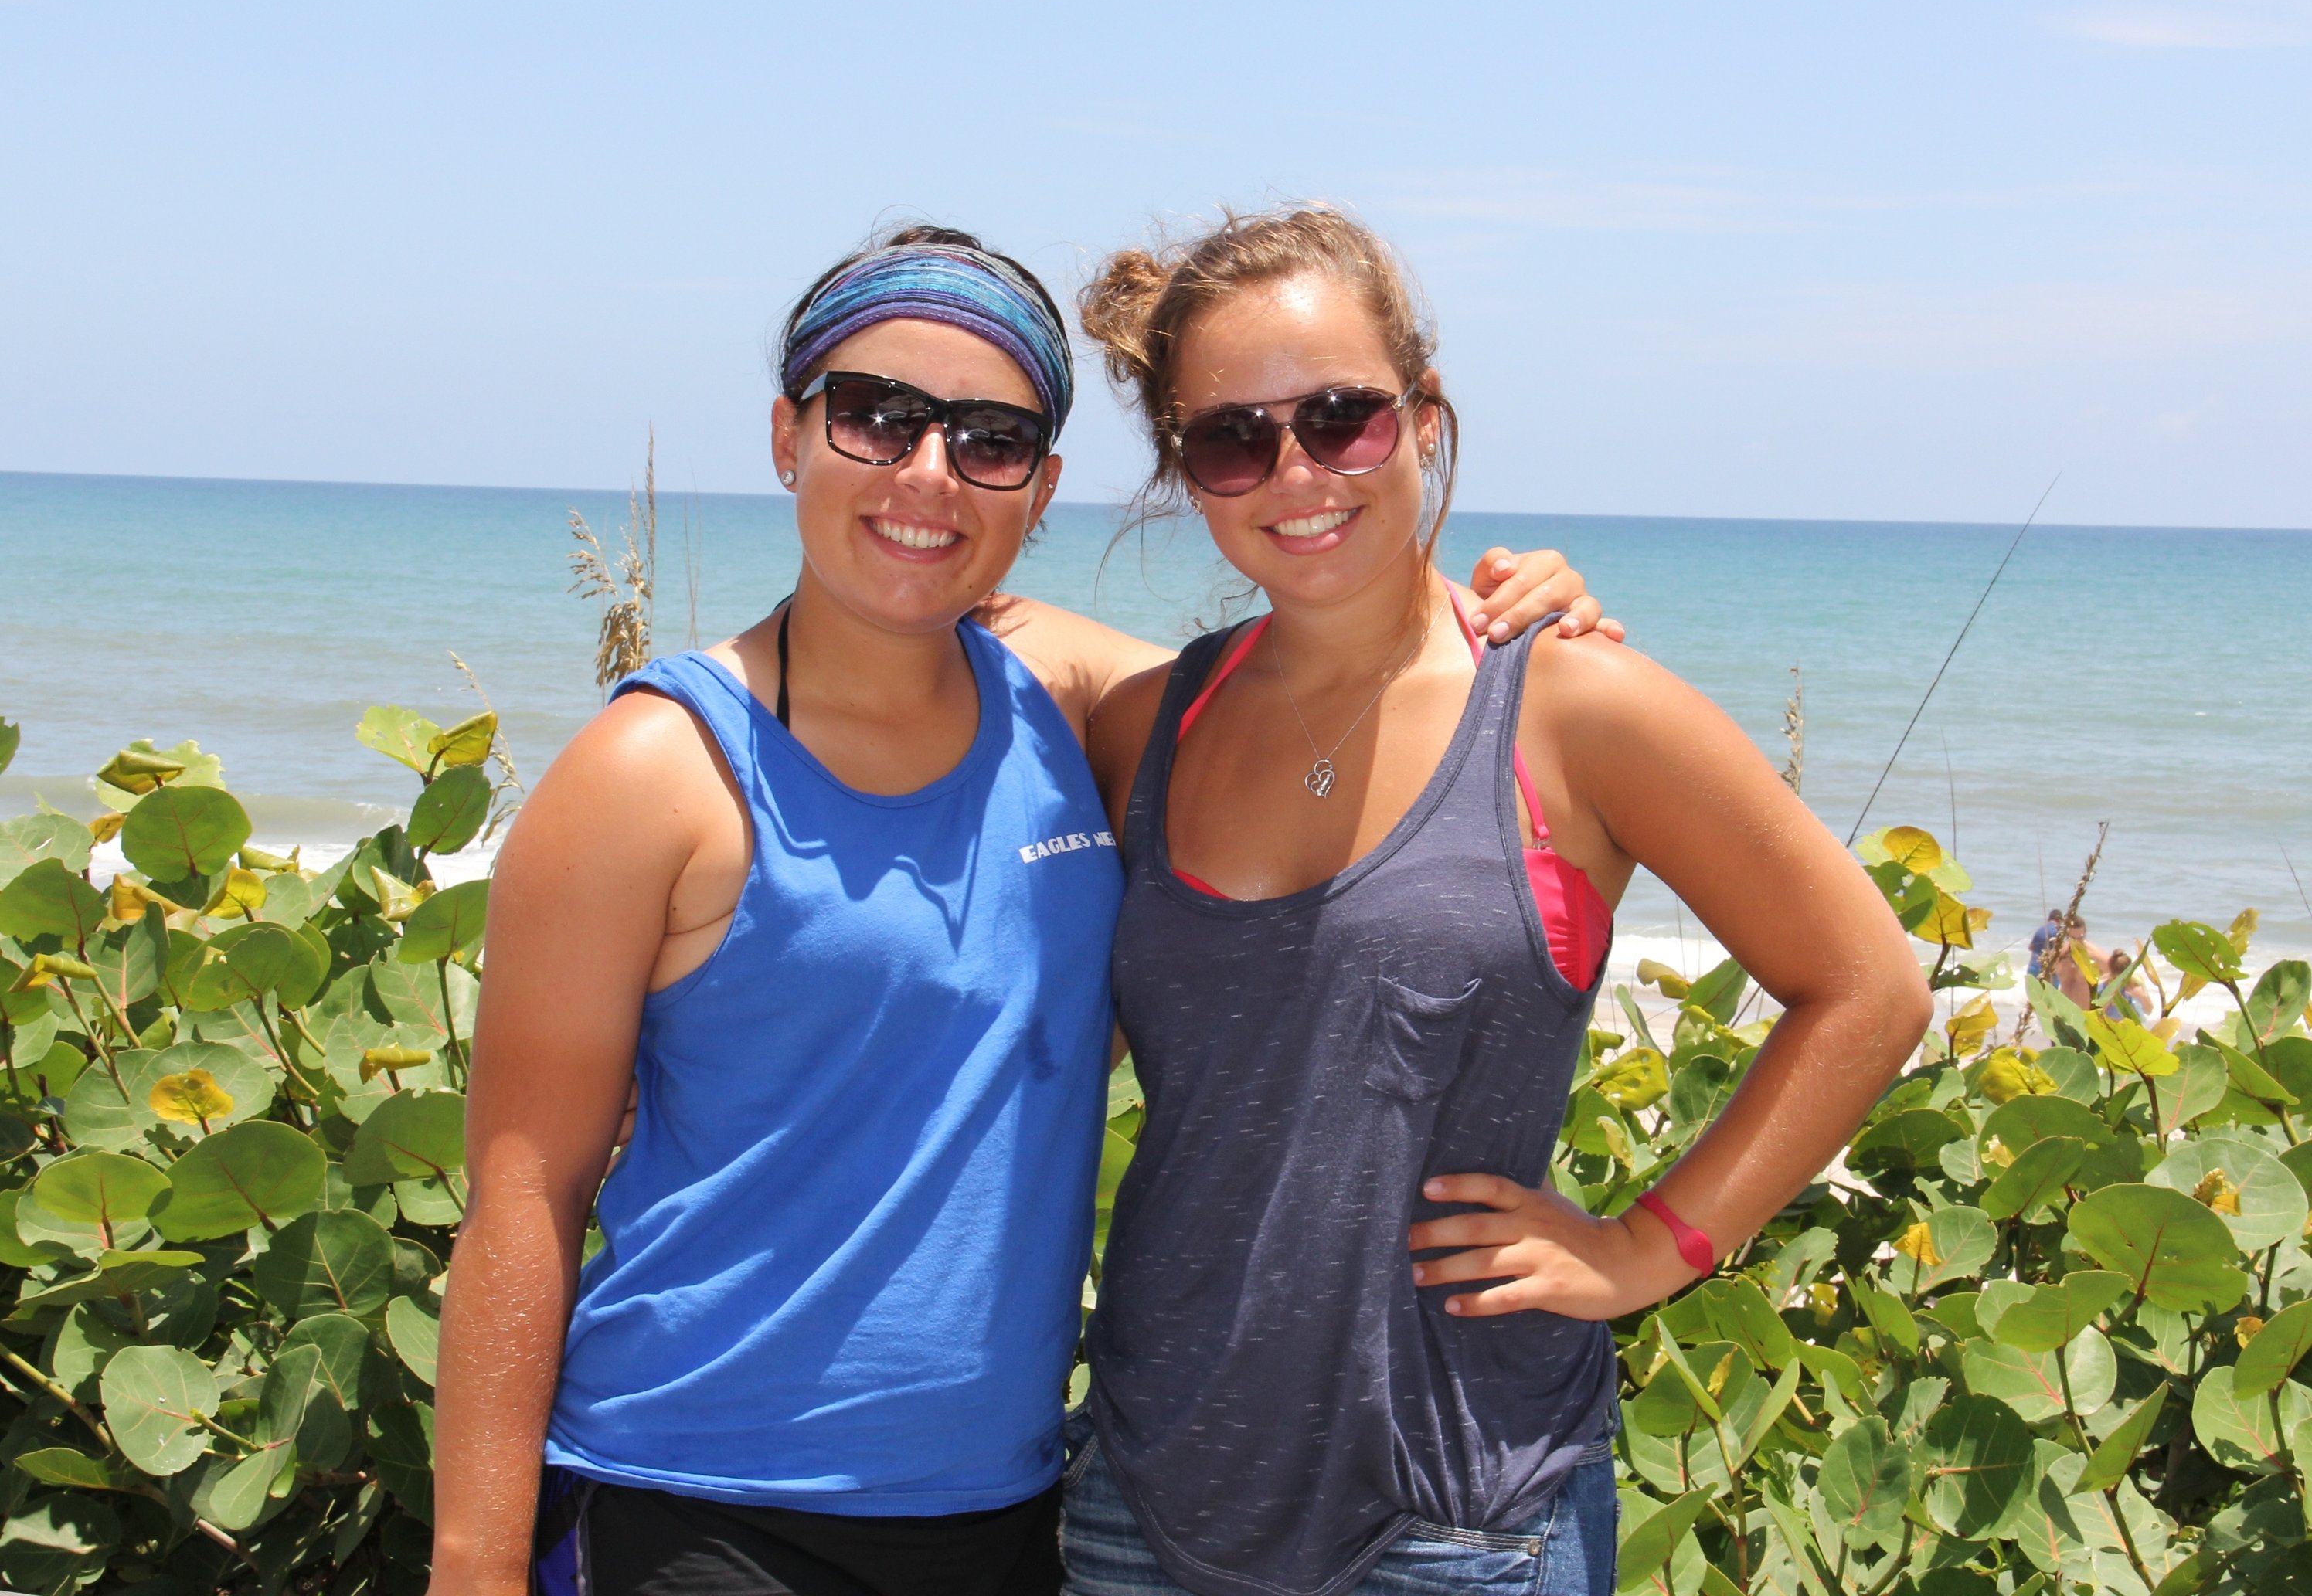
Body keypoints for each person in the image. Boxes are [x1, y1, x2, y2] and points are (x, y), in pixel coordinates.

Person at [426, 225, 1613, 1596]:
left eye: (988, 439)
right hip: (699, 1498)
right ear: (786, 437)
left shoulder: (1074, 714)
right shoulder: (656, 771)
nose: (927, 474)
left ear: (1040, 490)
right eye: (875, 417)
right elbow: (524, 1193)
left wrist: (1513, 624)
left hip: (1008, 1511)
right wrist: (475, 1563)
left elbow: (1331, 689)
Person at [1069, 207, 1933, 1596]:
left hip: (1464, 1508)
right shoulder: (1143, 728)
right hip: (1145, 1481)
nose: (1295, 472)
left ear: (1423, 418)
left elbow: (1870, 989)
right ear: (1186, 472)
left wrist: (1652, 1247)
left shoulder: (1570, 704)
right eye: (1233, 438)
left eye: (1341, 417)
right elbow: (945, 637)